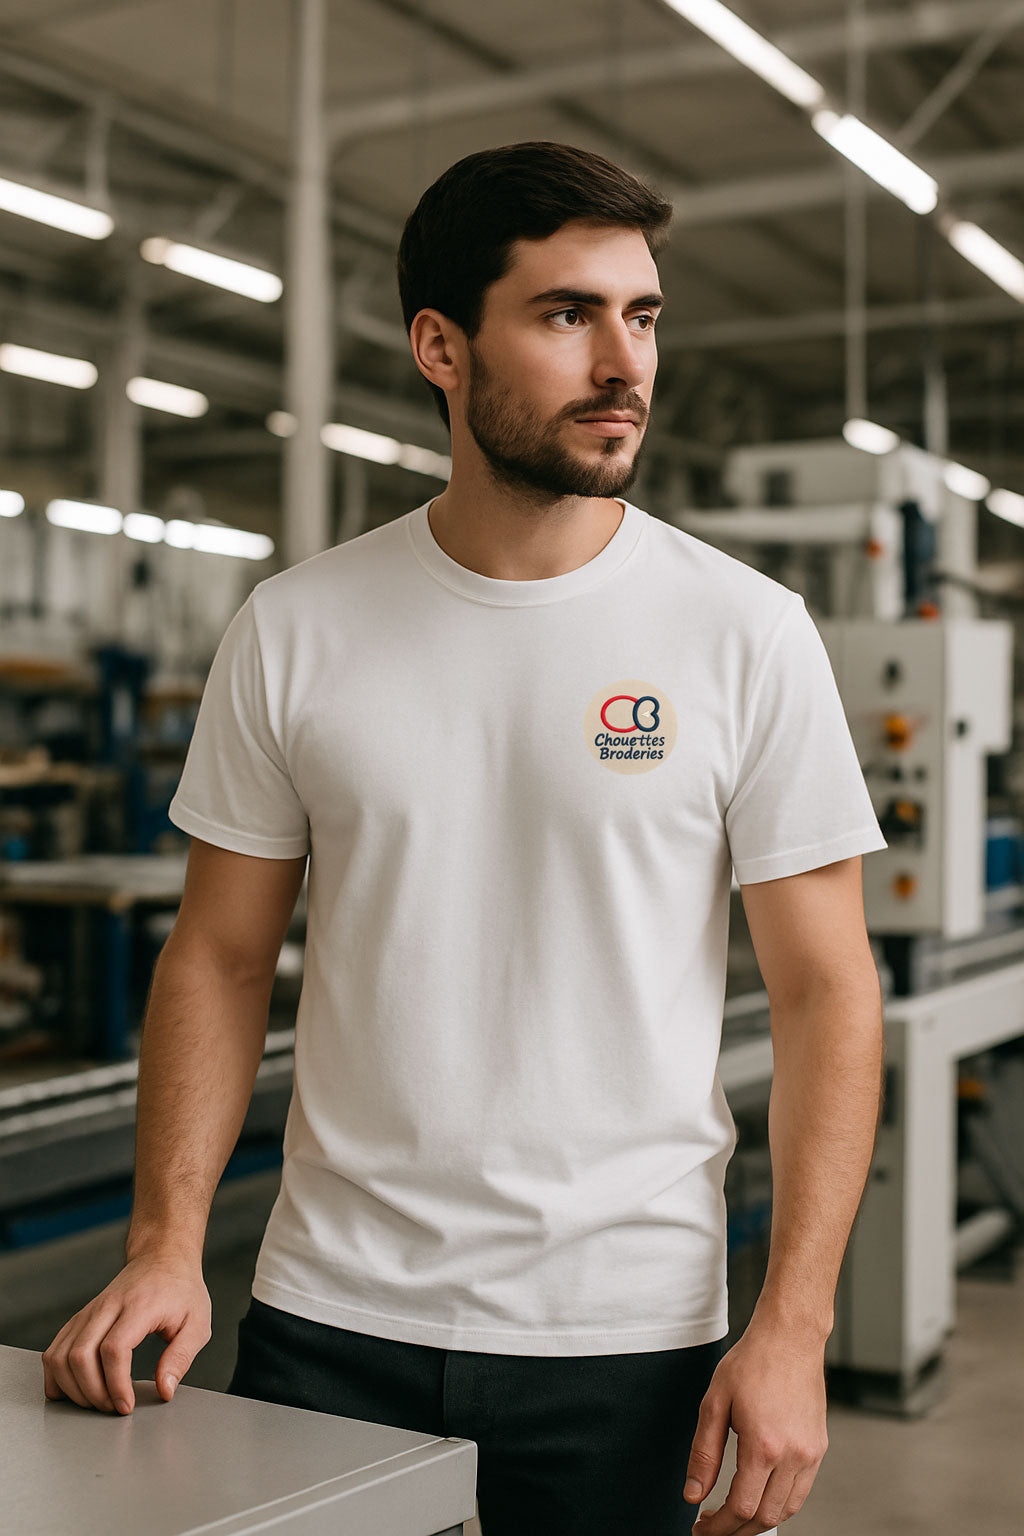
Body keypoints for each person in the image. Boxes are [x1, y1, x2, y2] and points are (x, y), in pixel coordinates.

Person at [41, 141, 888, 1536]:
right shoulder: (297, 628)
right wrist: (166, 1245)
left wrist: (793, 1324)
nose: (625, 361)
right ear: (442, 346)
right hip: (329, 1314)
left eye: (644, 315)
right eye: (569, 314)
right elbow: (217, 956)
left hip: (627, 1330)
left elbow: (824, 987)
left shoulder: (744, 633)